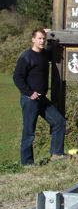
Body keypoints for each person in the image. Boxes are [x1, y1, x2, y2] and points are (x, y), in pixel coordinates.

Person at [13, 28, 67, 166]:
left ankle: (56, 154)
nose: (42, 41)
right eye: (39, 38)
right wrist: (30, 93)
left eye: (43, 38)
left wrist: (48, 34)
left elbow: (52, 49)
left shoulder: (44, 54)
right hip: (30, 100)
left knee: (59, 122)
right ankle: (27, 163)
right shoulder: (26, 56)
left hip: (42, 99)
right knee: (29, 132)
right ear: (33, 39)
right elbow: (17, 77)